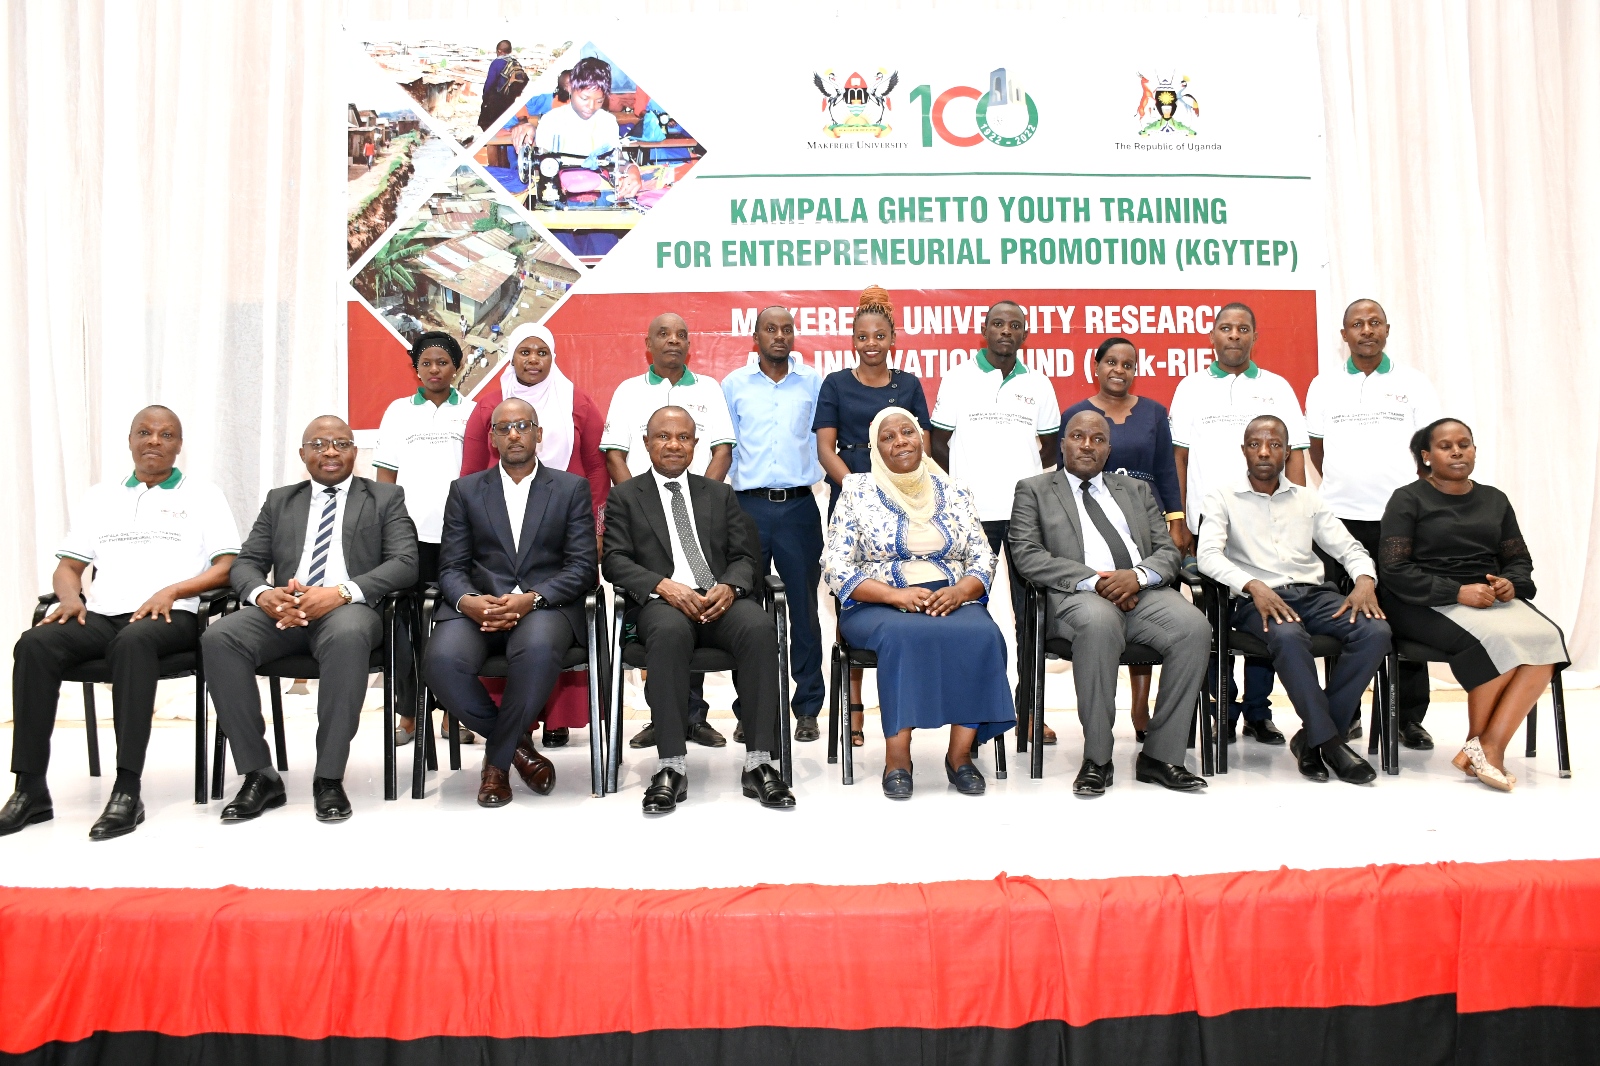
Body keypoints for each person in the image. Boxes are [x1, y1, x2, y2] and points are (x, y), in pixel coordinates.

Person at [1, 407, 240, 841]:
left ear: (179, 445)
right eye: (144, 433)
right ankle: (30, 789)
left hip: (173, 616)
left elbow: (227, 566)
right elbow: (68, 567)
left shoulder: (203, 495)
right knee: (34, 643)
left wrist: (172, 590)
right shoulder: (100, 496)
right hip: (103, 614)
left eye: (166, 434)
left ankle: (127, 789)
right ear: (130, 440)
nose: (154, 441)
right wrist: (72, 600)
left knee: (133, 642)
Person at [203, 415, 419, 824]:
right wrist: (264, 595)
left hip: (349, 610)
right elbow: (246, 564)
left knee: (347, 634)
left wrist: (339, 592)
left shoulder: (384, 498)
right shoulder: (280, 499)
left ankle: (329, 777)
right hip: (285, 611)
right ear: (303, 455)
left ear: (355, 451)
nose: (330, 452)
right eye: (318, 444)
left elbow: (405, 564)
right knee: (221, 638)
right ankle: (259, 775)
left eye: (340, 443)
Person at [601, 407, 796, 815]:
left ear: (695, 444)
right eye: (663, 436)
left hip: (720, 600)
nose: (674, 444)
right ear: (646, 443)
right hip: (664, 604)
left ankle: (760, 763)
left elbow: (745, 557)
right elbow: (614, 561)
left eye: (684, 437)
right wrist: (662, 585)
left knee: (760, 627)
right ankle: (671, 766)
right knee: (669, 633)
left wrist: (730, 585)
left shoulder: (719, 493)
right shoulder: (625, 496)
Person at [1008, 409, 1210, 795]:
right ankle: (1097, 759)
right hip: (1076, 598)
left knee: (1193, 628)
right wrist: (1093, 581)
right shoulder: (1033, 489)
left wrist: (1136, 576)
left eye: (1098, 439)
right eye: (1079, 436)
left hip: (1142, 592)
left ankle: (1161, 756)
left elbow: (1167, 551)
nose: (1088, 445)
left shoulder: (1135, 491)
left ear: (1109, 449)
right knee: (1099, 625)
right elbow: (1027, 555)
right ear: (1063, 442)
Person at [823, 408, 1016, 800]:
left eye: (907, 432)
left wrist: (961, 591)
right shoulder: (857, 490)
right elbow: (836, 566)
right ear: (876, 448)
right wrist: (896, 596)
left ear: (921, 438)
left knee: (983, 635)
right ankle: (898, 759)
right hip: (876, 601)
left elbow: (982, 555)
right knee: (903, 636)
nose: (900, 442)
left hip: (949, 595)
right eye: (888, 437)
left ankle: (960, 757)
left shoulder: (954, 490)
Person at [1196, 415, 1389, 785]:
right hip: (1258, 600)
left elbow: (1349, 548)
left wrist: (1365, 580)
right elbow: (1208, 556)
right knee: (1287, 635)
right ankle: (1332, 743)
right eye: (1255, 444)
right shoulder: (1221, 497)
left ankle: (1313, 739)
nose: (1264, 452)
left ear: (1287, 451)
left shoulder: (1308, 498)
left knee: (1376, 631)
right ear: (1244, 451)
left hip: (1314, 595)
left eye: (1274, 445)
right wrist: (1252, 584)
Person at [1378, 419, 1566, 792]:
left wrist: (1512, 583)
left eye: (1464, 444)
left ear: (1475, 450)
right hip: (1420, 600)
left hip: (1486, 596)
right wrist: (1455, 591)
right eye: (1446, 446)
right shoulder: (1408, 498)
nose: (1457, 451)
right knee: (1490, 642)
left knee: (1547, 639)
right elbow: (1394, 569)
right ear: (1427, 457)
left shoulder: (1494, 499)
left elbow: (1518, 558)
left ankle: (1486, 746)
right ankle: (1486, 752)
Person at [425, 400, 597, 806]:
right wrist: (468, 601)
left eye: (523, 426)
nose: (514, 434)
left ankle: (497, 766)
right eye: (505, 428)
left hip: (544, 606)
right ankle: (518, 747)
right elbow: (450, 566)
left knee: (536, 650)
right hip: (478, 607)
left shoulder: (570, 488)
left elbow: (583, 567)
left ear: (539, 433)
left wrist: (531, 599)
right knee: (440, 661)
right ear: (493, 438)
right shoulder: (465, 491)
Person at [459, 322, 609, 748]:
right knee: (504, 617)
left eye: (541, 352)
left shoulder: (576, 400)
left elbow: (596, 466)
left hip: (566, 532)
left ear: (553, 357)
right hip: (501, 542)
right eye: (524, 352)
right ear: (511, 356)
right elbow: (471, 471)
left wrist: (596, 528)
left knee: (556, 620)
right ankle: (513, 721)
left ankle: (558, 718)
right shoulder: (489, 405)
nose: (532, 360)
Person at [1170, 302, 1309, 747]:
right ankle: (1221, 708)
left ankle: (1258, 711)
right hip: (1207, 526)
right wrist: (1181, 519)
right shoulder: (1191, 388)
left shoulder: (1277, 387)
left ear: (1254, 336)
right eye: (1225, 328)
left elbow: (1298, 454)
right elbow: (1179, 457)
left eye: (1243, 328)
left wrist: (1300, 516)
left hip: (1268, 524)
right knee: (1213, 619)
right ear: (1212, 335)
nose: (1234, 336)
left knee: (1267, 611)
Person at [1306, 299, 1442, 750]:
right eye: (1356, 324)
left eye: (1374, 322)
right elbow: (1317, 451)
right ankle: (1346, 713)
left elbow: (1428, 451)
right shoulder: (1324, 386)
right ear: (1343, 334)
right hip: (1339, 519)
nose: (1366, 330)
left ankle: (1407, 717)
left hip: (1400, 519)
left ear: (1387, 329)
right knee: (1339, 616)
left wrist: (1414, 504)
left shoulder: (1413, 384)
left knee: (1405, 615)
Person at [601, 311, 736, 750]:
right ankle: (664, 717)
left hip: (700, 517)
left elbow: (721, 452)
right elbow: (616, 456)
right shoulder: (628, 391)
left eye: (681, 335)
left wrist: (701, 508)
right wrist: (640, 508)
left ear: (690, 344)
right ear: (648, 343)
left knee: (699, 597)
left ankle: (694, 717)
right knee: (662, 616)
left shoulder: (709, 389)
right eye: (663, 334)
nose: (673, 341)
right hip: (644, 526)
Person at [930, 300, 1060, 739]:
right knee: (970, 618)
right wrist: (964, 486)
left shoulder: (1038, 384)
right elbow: (939, 442)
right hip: (971, 515)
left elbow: (1050, 446)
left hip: (1025, 514)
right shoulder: (959, 377)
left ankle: (1029, 712)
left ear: (1025, 334)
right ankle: (975, 717)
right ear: (983, 330)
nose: (1006, 331)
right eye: (998, 324)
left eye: (1015, 325)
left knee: (1031, 619)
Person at [813, 285, 931, 748]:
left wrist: (896, 490)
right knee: (852, 596)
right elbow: (825, 448)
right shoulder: (836, 384)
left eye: (880, 335)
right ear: (853, 339)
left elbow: (921, 445)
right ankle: (854, 706)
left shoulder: (910, 385)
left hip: (905, 498)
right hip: (851, 496)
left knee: (908, 587)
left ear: (892, 338)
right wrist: (857, 488)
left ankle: (904, 702)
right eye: (863, 336)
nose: (872, 343)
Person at [1060, 336, 1187, 742]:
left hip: (1144, 519)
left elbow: (1166, 469)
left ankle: (1141, 701)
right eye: (1111, 362)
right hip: (1093, 517)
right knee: (1110, 611)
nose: (1119, 369)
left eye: (1128, 364)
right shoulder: (1076, 414)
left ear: (1136, 370)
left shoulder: (1153, 413)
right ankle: (1104, 724)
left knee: (1147, 601)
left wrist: (1176, 519)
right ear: (1095, 366)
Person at [722, 307, 827, 742]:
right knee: (746, 612)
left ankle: (806, 708)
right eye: (770, 329)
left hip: (799, 508)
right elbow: (724, 447)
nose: (779, 336)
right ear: (755, 337)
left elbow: (825, 440)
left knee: (803, 608)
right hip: (747, 509)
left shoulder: (814, 384)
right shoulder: (733, 386)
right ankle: (751, 709)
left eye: (787, 329)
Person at [372, 331, 477, 747]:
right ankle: (410, 715)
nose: (435, 370)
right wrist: (385, 527)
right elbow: (385, 476)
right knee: (405, 627)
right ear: (416, 367)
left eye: (443, 362)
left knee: (457, 625)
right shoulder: (398, 413)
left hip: (457, 537)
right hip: (407, 539)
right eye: (426, 363)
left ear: (457, 367)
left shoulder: (471, 412)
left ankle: (456, 713)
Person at [532, 56, 647, 201]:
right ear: (570, 88)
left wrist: (631, 169)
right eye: (584, 99)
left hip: (597, 191)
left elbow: (616, 158)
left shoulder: (608, 121)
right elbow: (542, 165)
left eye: (599, 101)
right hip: (559, 192)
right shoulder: (550, 121)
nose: (591, 107)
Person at [477, 40, 527, 131]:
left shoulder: (497, 63)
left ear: (499, 51)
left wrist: (485, 99)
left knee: (488, 126)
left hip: (496, 101)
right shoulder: (515, 63)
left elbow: (489, 83)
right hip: (510, 101)